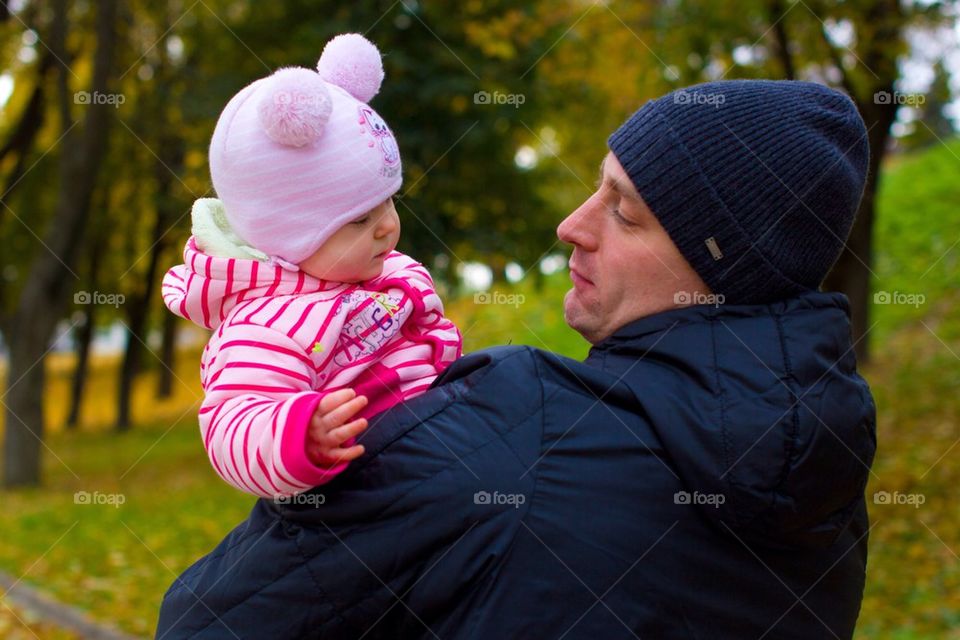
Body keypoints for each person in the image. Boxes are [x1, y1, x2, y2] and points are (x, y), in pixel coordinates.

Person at [156, 79, 877, 639]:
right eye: (596, 188)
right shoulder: (826, 477)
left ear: (723, 264)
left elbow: (208, 622)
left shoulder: (513, 438)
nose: (573, 225)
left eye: (623, 212)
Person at [160, 33, 461, 499]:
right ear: (286, 235)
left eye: (388, 203)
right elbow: (232, 423)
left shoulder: (382, 274)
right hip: (371, 498)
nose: (387, 228)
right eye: (360, 218)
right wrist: (301, 434)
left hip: (445, 451)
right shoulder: (264, 326)